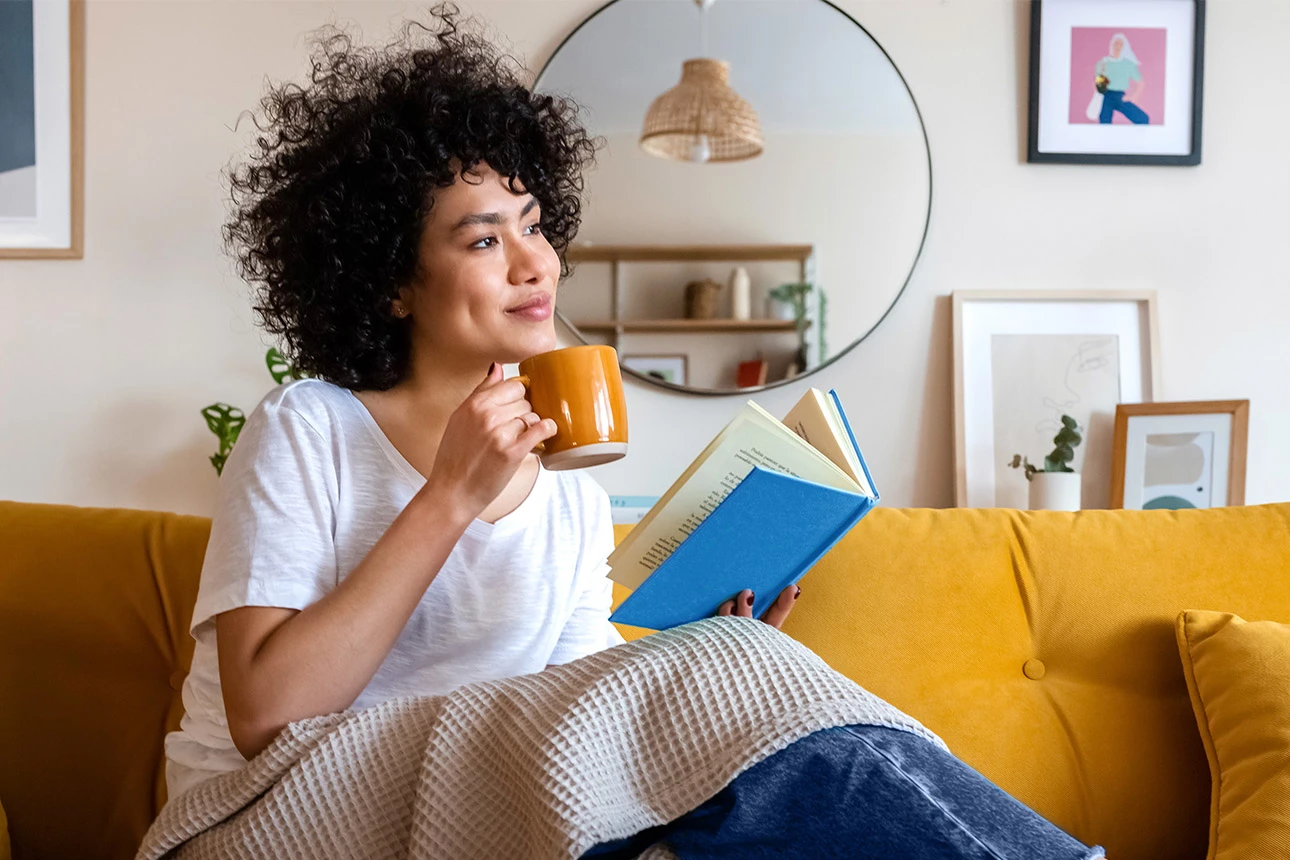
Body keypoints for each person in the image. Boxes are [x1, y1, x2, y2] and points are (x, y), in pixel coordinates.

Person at [164, 6, 1105, 858]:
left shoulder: (568, 486)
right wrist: (448, 495)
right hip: (277, 811)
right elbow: (266, 714)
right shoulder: (310, 428)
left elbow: (579, 745)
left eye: (535, 226)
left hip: (472, 814)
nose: (537, 263)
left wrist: (698, 647)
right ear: (390, 282)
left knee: (744, 711)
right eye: (485, 239)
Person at [1097, 33, 1150, 124]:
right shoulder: (1103, 63)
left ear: (1124, 47)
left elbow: (1140, 83)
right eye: (1115, 43)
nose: (1117, 46)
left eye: (1120, 44)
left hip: (1120, 96)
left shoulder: (1128, 64)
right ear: (1111, 45)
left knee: (1143, 119)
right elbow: (1100, 88)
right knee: (1104, 122)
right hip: (1107, 96)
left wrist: (1133, 98)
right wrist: (1103, 73)